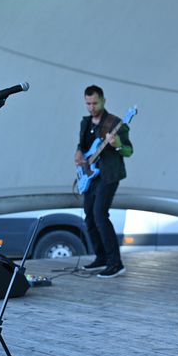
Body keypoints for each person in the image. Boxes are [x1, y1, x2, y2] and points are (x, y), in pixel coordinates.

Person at [75, 85, 133, 278]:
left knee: (100, 214)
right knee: (89, 217)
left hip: (109, 175)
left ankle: (115, 263)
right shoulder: (85, 123)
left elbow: (129, 151)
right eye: (88, 103)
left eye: (95, 103)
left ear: (103, 101)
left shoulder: (115, 123)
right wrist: (78, 153)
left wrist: (117, 144)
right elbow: (83, 146)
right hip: (90, 175)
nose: (91, 107)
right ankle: (101, 257)